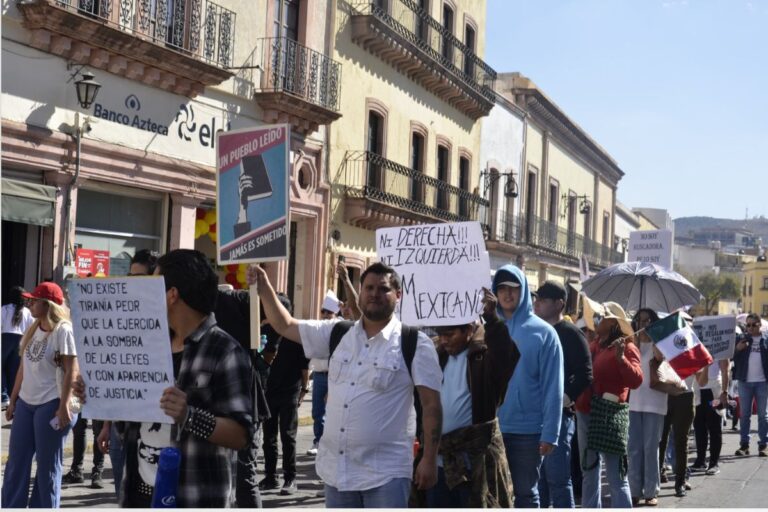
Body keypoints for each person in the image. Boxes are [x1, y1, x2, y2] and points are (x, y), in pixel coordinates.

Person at [246, 262, 443, 508]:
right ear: (360, 293)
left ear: (398, 295)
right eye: (369, 288)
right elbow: (286, 325)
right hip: (338, 474)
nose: (374, 294)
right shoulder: (337, 333)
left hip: (386, 476)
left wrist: (429, 458)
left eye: (383, 289)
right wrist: (264, 287)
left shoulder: (415, 344)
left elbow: (431, 405)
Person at [80, 249, 254, 507]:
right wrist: (100, 394)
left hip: (194, 498)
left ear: (172, 295)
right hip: (138, 496)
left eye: (153, 285)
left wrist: (189, 416)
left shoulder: (225, 351)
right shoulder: (147, 345)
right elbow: (130, 426)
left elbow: (241, 435)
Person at [427, 288, 520, 508]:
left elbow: (506, 354)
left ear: (469, 329)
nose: (444, 340)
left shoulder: (484, 357)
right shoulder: (436, 356)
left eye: (450, 334)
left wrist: (493, 319)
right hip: (440, 463)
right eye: (441, 334)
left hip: (476, 465)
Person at [2, 282, 79, 508]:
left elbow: (71, 371)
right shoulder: (33, 327)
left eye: (34, 300)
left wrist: (64, 406)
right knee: (16, 463)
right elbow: (23, 368)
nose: (30, 303)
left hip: (51, 403)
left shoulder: (64, 330)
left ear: (48, 305)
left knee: (47, 468)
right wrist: (12, 401)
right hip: (26, 403)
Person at [492, 265, 564, 508]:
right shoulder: (486, 330)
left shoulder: (545, 333)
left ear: (523, 290)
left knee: (525, 495)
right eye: (502, 288)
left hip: (528, 432)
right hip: (490, 429)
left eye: (513, 288)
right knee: (493, 496)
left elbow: (553, 386)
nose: (507, 293)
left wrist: (550, 433)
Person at [95, 248, 160, 499]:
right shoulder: (123, 316)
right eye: (130, 277)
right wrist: (106, 425)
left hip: (151, 429)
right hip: (119, 426)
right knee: (122, 495)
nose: (133, 283)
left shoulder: (166, 319)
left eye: (139, 277)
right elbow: (117, 374)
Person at [575, 302, 642, 508]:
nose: (596, 319)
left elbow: (636, 381)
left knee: (616, 474)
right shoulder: (595, 344)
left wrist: (622, 359)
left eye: (601, 316)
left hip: (608, 416)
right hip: (586, 411)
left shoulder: (627, 347)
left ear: (613, 322)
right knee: (589, 471)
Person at [533, 281, 592, 508]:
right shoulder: (535, 330)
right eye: (537, 299)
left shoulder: (571, 333)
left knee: (557, 478)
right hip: (534, 415)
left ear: (559, 304)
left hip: (559, 417)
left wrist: (563, 399)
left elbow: (586, 374)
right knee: (538, 481)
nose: (537, 303)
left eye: (543, 300)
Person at [258, 293, 309, 496]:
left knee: (288, 436)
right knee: (268, 437)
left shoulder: (296, 334)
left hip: (290, 391)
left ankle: (290, 478)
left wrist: (304, 390)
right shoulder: (263, 331)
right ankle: (270, 476)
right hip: (268, 391)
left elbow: (304, 367)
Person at [627, 308, 666, 507]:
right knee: (633, 448)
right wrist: (633, 342)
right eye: (640, 320)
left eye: (647, 320)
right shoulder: (631, 343)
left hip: (655, 402)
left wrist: (653, 336)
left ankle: (651, 491)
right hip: (634, 402)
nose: (643, 324)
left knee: (650, 448)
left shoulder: (658, 342)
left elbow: (660, 358)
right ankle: (634, 490)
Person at [733, 313, 768, 457]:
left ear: (760, 325)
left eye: (754, 325)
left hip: (762, 382)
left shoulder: (766, 339)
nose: (750, 328)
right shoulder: (741, 339)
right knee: (745, 415)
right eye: (748, 325)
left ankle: (763, 445)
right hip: (744, 382)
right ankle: (744, 445)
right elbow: (730, 357)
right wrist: (737, 349)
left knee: (763, 415)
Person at [690, 358, 729, 475]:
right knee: (699, 428)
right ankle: (700, 461)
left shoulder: (720, 350)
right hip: (697, 391)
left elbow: (725, 370)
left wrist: (725, 392)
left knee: (714, 428)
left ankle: (714, 463)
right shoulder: (696, 348)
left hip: (714, 391)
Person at [2, 286, 34, 408]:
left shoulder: (5, 309)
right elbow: (31, 328)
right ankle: (12, 398)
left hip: (5, 338)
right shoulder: (27, 312)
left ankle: (3, 395)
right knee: (14, 369)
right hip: (21, 340)